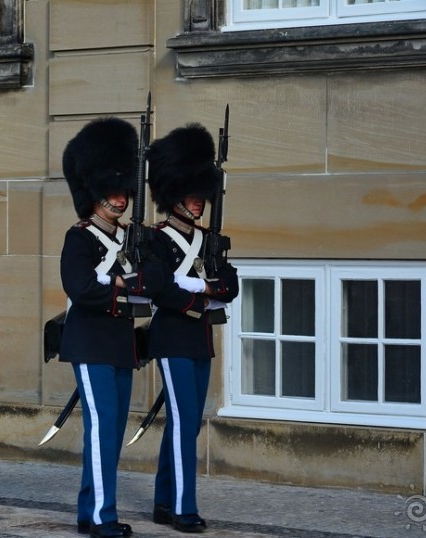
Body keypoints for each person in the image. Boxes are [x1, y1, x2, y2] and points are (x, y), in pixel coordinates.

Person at [59, 117, 165, 538]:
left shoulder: (130, 239)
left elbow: (155, 280)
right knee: (102, 432)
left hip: (121, 344)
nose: (121, 200)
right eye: (114, 193)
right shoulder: (80, 238)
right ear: (97, 194)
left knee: (110, 433)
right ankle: (103, 517)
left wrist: (136, 275)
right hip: (90, 343)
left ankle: (89, 512)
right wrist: (121, 282)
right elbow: (81, 288)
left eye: (125, 193)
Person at [145, 123, 239, 533]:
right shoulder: (156, 240)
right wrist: (205, 293)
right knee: (185, 424)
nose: (199, 204)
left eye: (202, 196)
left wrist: (203, 286)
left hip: (201, 339)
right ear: (174, 197)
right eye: (191, 196)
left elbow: (230, 285)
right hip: (171, 336)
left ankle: (164, 501)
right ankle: (184, 508)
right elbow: (160, 289)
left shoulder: (209, 241)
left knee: (186, 422)